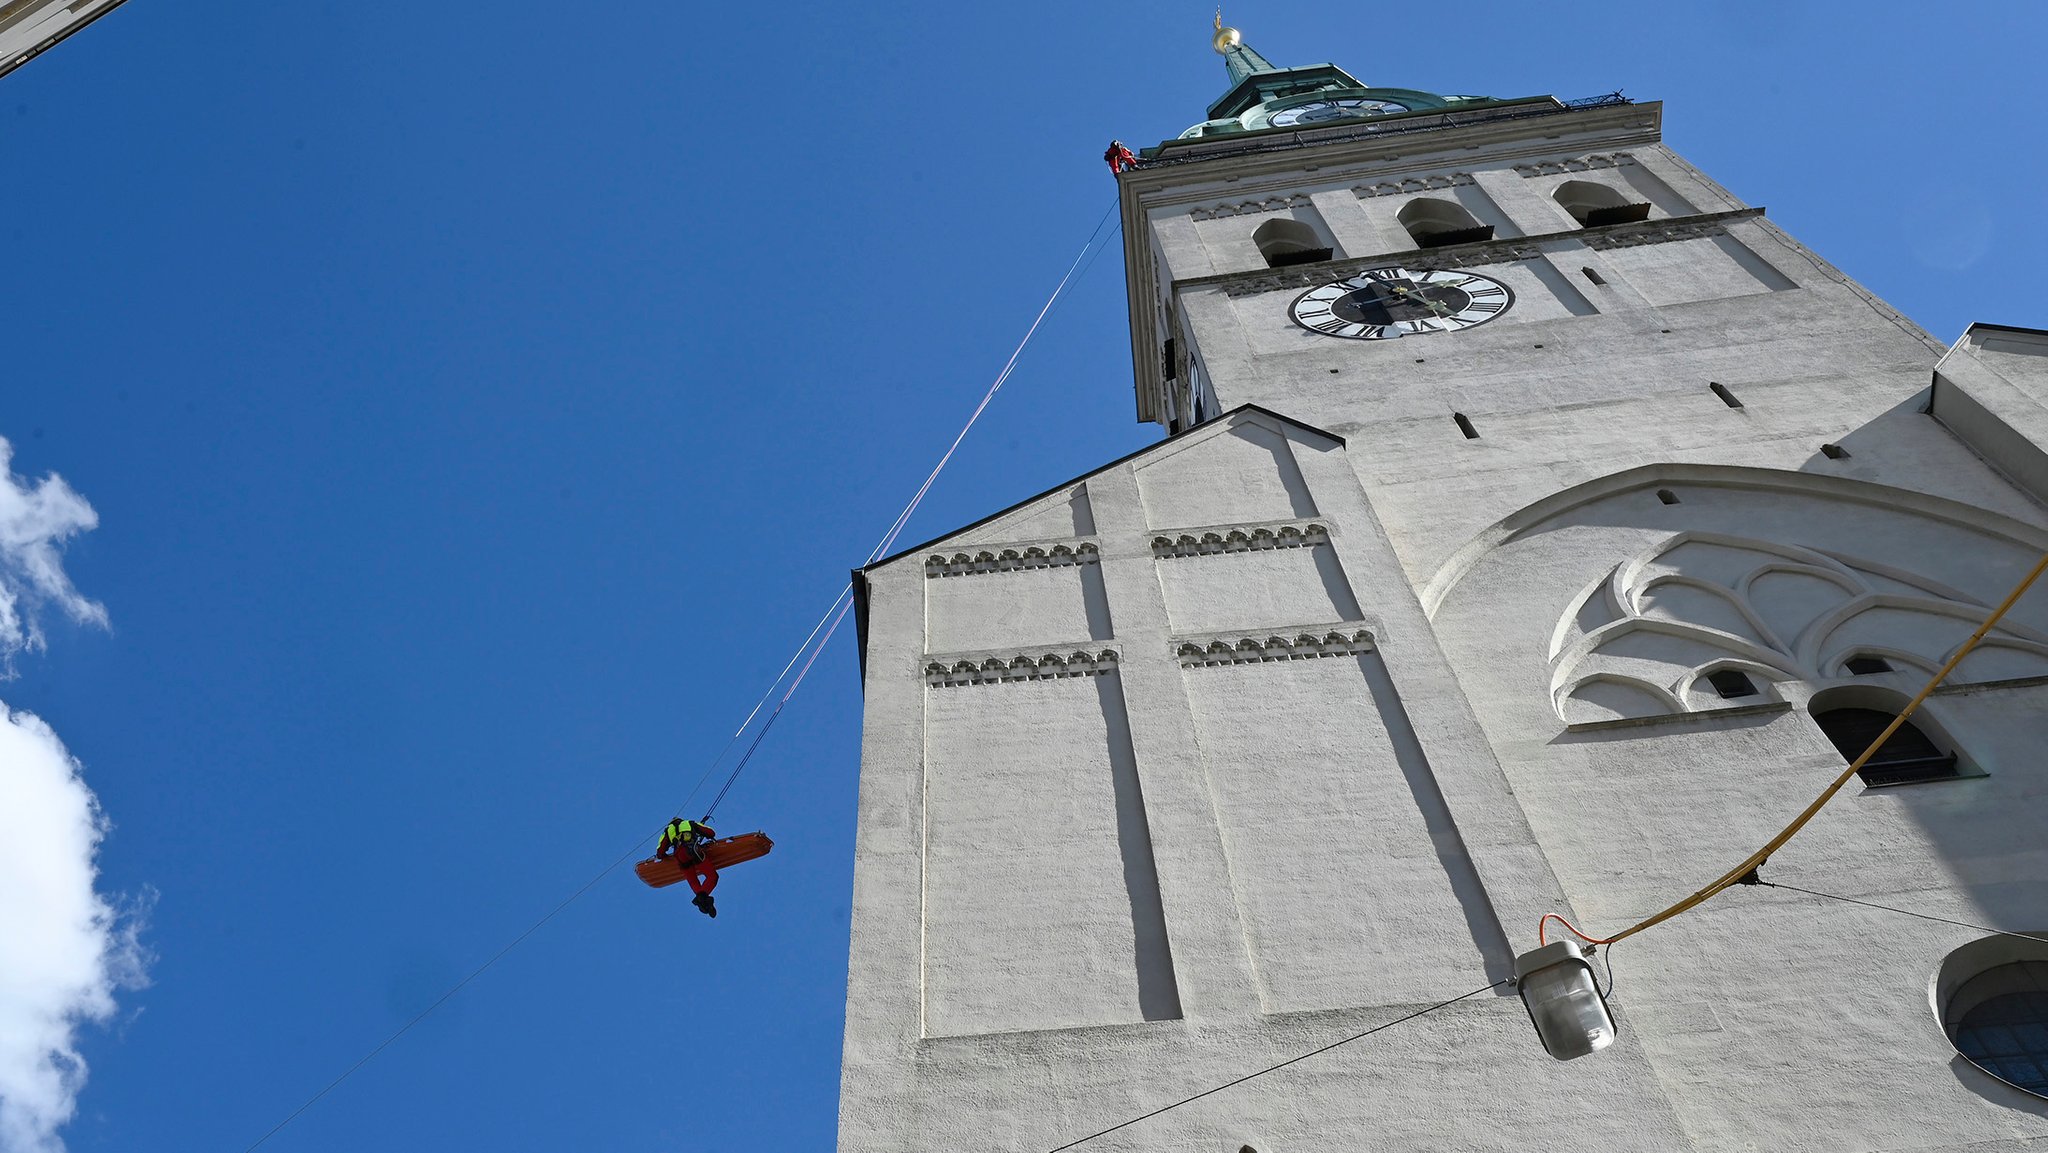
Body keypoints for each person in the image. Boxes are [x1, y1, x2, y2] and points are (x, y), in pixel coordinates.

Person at [657, 817, 720, 917]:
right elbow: (711, 833)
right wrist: (697, 831)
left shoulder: (668, 831)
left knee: (694, 882)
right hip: (692, 851)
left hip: (680, 856)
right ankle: (703, 900)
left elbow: (660, 852)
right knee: (712, 876)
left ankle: (704, 904)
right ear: (681, 820)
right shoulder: (689, 823)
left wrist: (664, 856)